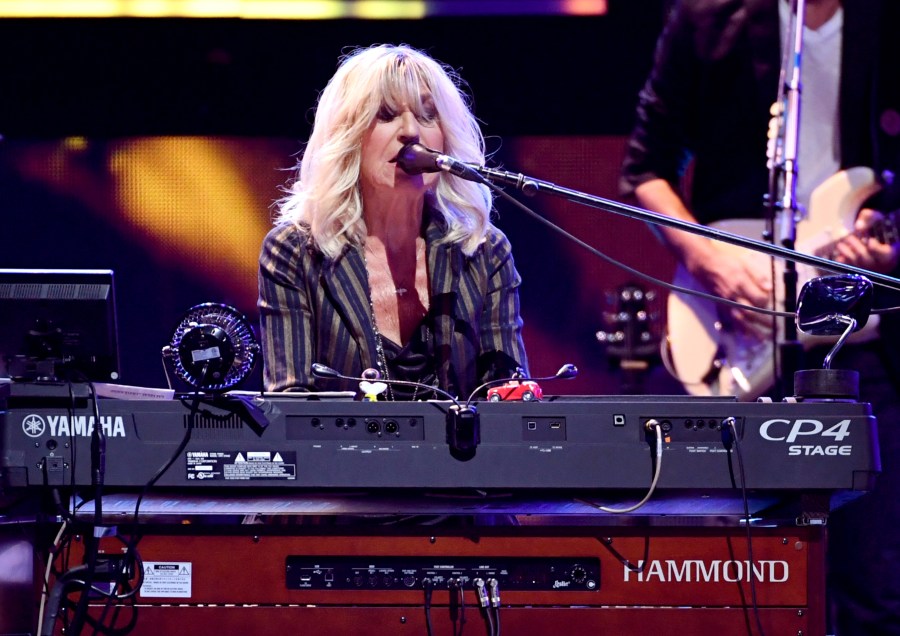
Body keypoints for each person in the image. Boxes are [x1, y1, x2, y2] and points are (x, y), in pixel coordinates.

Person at [620, 1, 900, 634]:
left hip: (861, 340)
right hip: (738, 319)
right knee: (736, 579)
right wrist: (713, 264)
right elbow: (644, 169)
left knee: (874, 584)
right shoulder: (709, 16)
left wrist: (885, 245)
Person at [258, 44, 529, 401]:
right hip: (341, 456)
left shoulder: (484, 251)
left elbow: (509, 394)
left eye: (428, 116)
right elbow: (290, 407)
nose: (411, 131)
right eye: (386, 115)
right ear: (348, 136)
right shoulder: (294, 252)